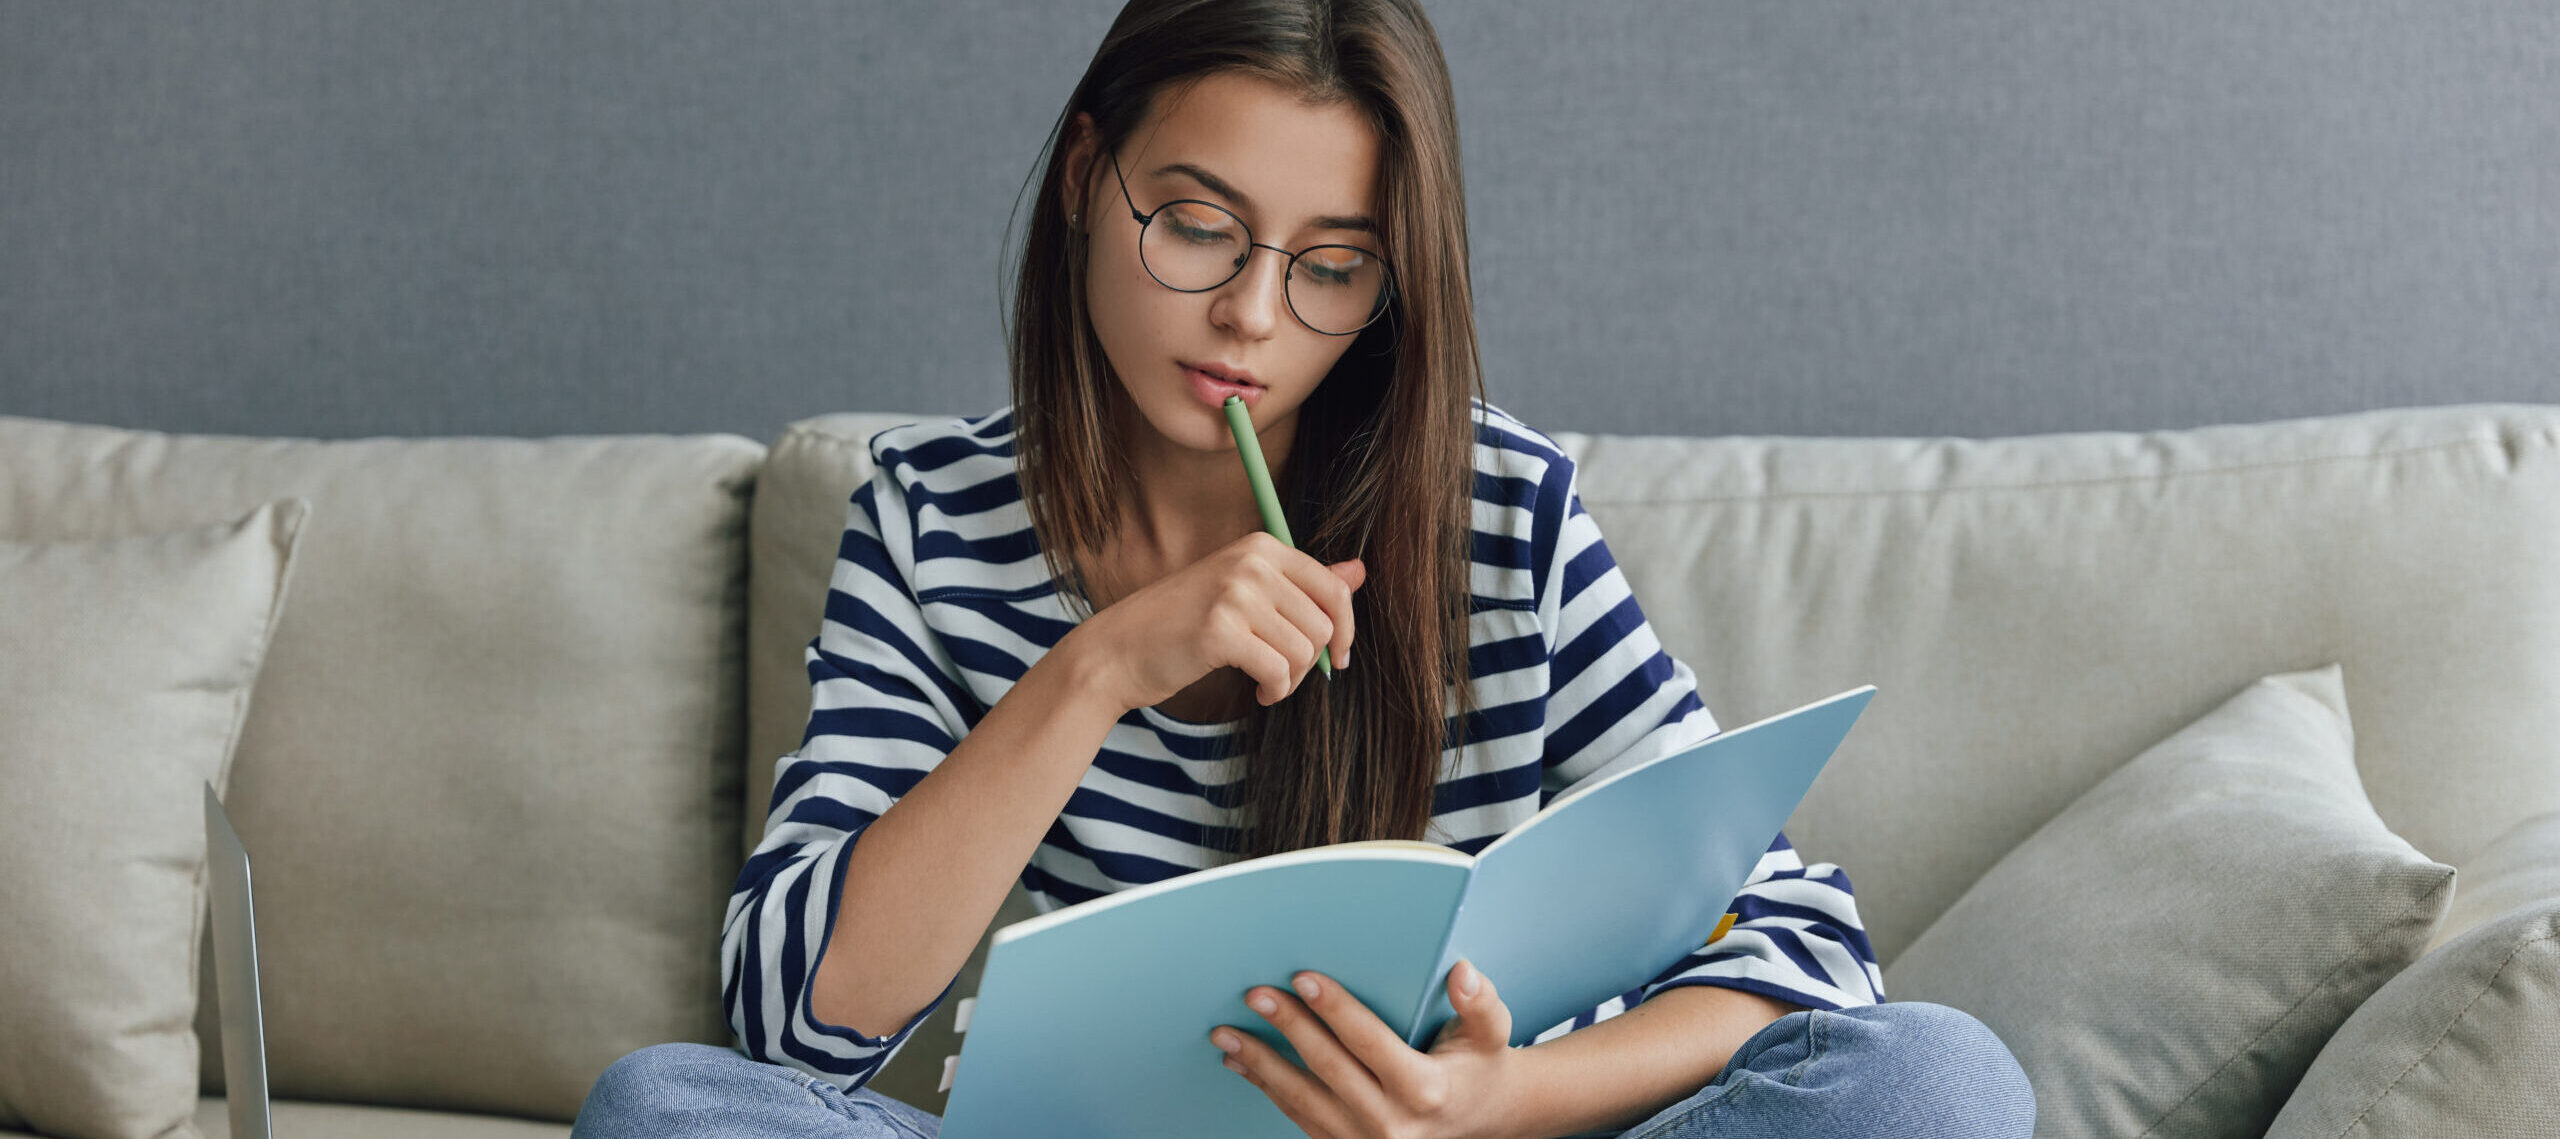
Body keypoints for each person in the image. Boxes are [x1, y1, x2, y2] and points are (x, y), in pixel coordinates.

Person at [574, 2, 2033, 1136]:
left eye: (1331, 263)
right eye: (1197, 227)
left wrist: (1501, 1104)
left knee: (1935, 1083)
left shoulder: (1493, 510)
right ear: (1088, 176)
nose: (1250, 317)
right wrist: (1097, 670)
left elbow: (1805, 947)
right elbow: (789, 1028)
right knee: (664, 1111)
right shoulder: (931, 517)